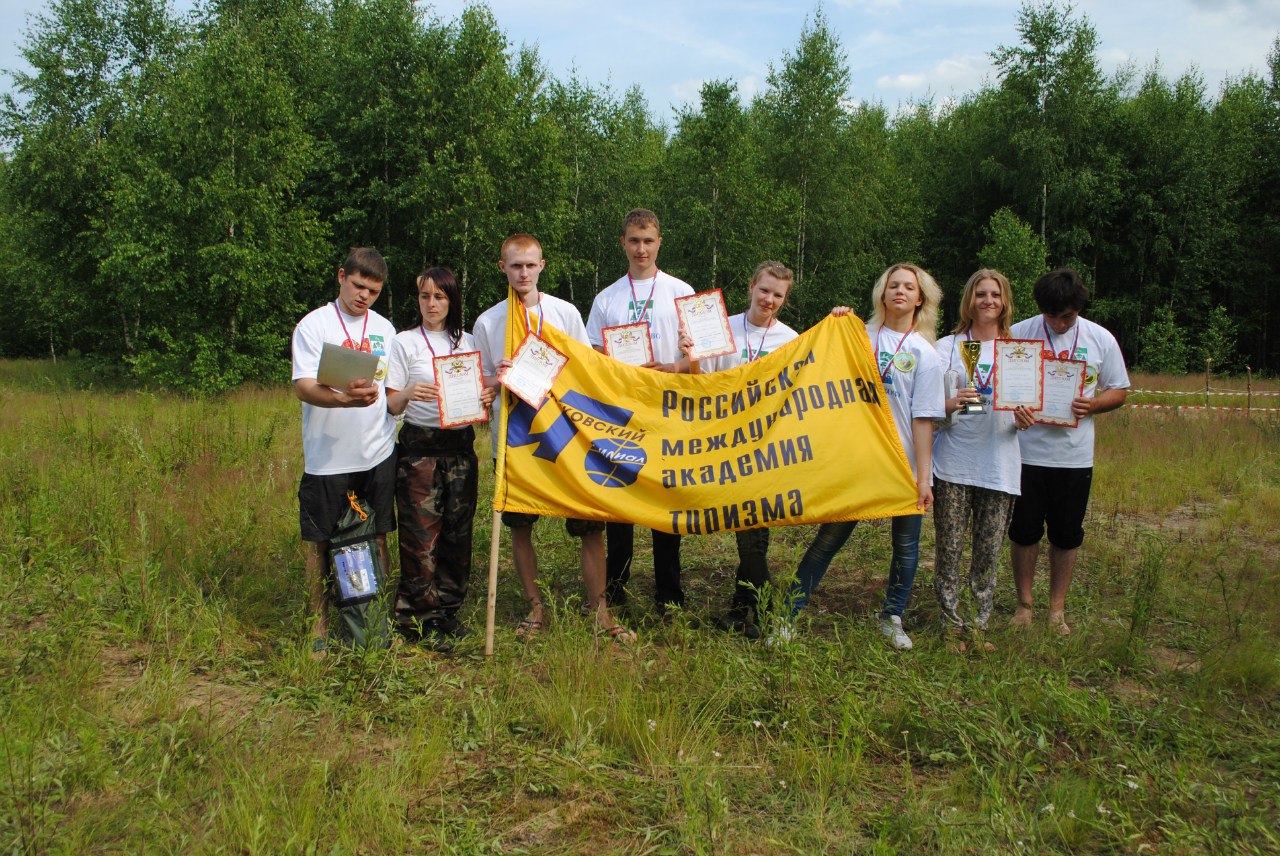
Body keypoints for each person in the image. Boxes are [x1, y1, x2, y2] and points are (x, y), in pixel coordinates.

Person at [472, 233, 636, 643]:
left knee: (590, 524)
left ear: (542, 265)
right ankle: (535, 608)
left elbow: (586, 370)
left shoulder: (564, 313)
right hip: (515, 439)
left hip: (567, 434)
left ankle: (599, 610)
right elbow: (480, 383)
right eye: (515, 265)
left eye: (530, 265)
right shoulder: (489, 321)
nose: (523, 273)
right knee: (520, 525)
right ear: (502, 268)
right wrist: (498, 376)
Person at [781, 263, 945, 650]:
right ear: (882, 293)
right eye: (893, 285)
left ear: (920, 299)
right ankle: (786, 615)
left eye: (909, 287)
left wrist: (923, 478)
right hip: (853, 462)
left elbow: (923, 420)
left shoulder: (925, 354)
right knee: (828, 540)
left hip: (901, 464)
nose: (900, 291)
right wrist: (835, 322)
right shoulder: (857, 335)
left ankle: (892, 617)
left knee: (906, 546)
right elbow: (817, 367)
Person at [1007, 268, 1129, 635]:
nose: (1059, 324)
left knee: (1066, 534)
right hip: (1025, 453)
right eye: (1052, 316)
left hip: (1074, 457)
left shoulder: (1100, 338)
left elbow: (1119, 390)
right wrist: (1015, 410)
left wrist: (1093, 405)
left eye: (1068, 316)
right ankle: (1024, 606)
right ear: (1040, 308)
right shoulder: (1018, 334)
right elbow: (1002, 389)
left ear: (1079, 309)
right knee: (1024, 532)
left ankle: (1056, 611)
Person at [587, 208, 695, 614]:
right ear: (623, 243)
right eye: (634, 240)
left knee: (665, 499)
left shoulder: (681, 291)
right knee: (621, 499)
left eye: (648, 240)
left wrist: (674, 366)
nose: (641, 249)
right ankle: (616, 589)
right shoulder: (607, 298)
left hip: (668, 410)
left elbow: (699, 355)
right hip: (622, 413)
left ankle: (669, 593)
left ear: (659, 242)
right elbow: (593, 356)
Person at [291, 247, 397, 657]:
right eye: (357, 286)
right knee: (319, 541)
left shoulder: (385, 329)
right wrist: (342, 400)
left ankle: (377, 621)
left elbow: (389, 387)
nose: (363, 296)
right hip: (327, 457)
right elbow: (303, 385)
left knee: (379, 535)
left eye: (373, 291)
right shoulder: (314, 326)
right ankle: (319, 626)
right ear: (341, 277)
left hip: (377, 450)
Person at [686, 261, 799, 638]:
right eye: (764, 290)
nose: (769, 300)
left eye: (778, 295)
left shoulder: (791, 340)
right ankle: (746, 610)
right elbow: (703, 387)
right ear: (751, 286)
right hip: (725, 443)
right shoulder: (721, 328)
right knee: (747, 527)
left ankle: (759, 614)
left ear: (784, 299)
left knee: (752, 529)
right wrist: (693, 359)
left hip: (767, 446)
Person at [385, 266, 496, 650]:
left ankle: (447, 610)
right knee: (421, 537)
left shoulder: (468, 342)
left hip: (460, 450)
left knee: (456, 534)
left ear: (452, 300)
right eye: (425, 296)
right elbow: (391, 403)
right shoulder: (404, 343)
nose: (431, 304)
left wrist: (488, 395)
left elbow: (485, 388)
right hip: (420, 450)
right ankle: (417, 617)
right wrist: (409, 393)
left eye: (440, 296)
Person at [932, 269, 1035, 651]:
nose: (988, 300)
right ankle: (951, 626)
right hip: (953, 463)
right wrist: (950, 403)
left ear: (1005, 301)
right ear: (969, 300)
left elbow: (1028, 406)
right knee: (949, 549)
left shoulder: (1020, 351)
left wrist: (1026, 419)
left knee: (987, 553)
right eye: (980, 294)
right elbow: (928, 407)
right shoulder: (947, 347)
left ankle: (978, 625)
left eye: (995, 294)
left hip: (999, 465)